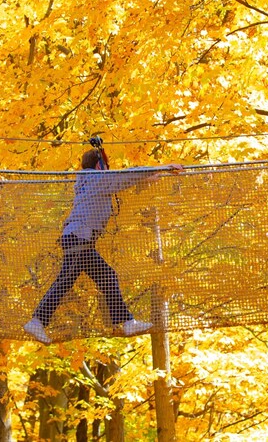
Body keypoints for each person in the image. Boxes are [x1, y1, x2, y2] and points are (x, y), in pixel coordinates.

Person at [24, 141, 182, 344]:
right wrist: (165, 166)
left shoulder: (91, 181)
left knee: (106, 276)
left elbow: (124, 182)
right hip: (79, 237)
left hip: (81, 239)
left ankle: (126, 322)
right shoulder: (97, 178)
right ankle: (37, 320)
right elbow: (127, 175)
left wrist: (150, 177)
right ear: (99, 166)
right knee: (65, 281)